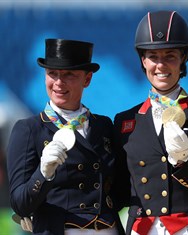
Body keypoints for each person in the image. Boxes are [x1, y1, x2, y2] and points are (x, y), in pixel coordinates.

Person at [113, 10, 188, 235]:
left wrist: (185, 163)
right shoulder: (125, 121)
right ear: (143, 60)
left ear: (183, 58)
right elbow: (118, 191)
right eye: (153, 57)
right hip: (142, 228)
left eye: (170, 56)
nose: (161, 65)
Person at [7, 39, 125, 235]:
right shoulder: (29, 129)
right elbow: (20, 203)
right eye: (52, 74)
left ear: (87, 79)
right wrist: (43, 174)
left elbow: (120, 189)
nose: (59, 83)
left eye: (69, 74)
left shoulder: (103, 126)